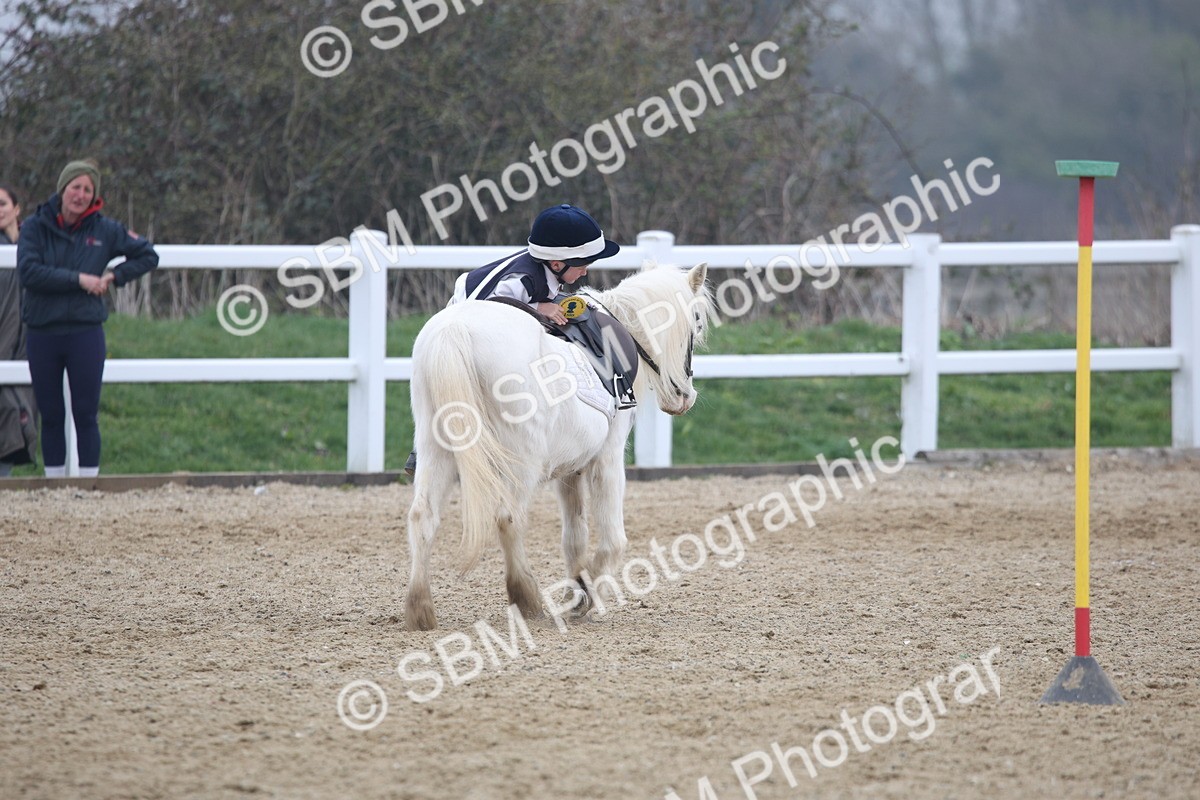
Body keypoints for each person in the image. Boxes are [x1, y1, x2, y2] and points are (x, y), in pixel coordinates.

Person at [406, 203, 621, 475]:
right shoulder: (522, 279)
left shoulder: (543, 269)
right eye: (582, 264)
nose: (586, 271)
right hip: (469, 312)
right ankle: (424, 449)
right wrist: (540, 309)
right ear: (556, 263)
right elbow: (499, 307)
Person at [17, 159, 159, 477]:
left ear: (94, 196)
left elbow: (148, 254)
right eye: (75, 187)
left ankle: (89, 484)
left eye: (87, 190)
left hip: (85, 331)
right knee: (51, 413)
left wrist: (115, 275)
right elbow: (29, 272)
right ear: (63, 188)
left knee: (85, 412)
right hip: (43, 330)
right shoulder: (35, 226)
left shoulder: (106, 229)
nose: (80, 195)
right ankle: (55, 483)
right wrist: (80, 280)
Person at [0, 184, 38, 476]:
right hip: (4, 337)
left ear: (16, 209)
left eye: (2, 204)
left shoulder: (33, 245)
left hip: (27, 341)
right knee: (8, 409)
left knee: (21, 408)